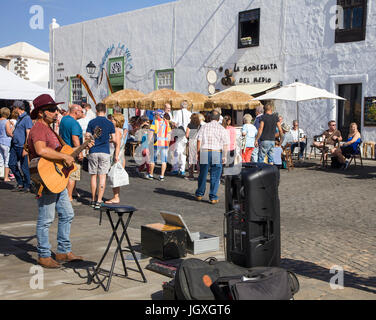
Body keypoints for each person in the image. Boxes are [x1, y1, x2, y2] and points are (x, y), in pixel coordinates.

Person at [27, 94, 94, 269]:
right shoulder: (39, 129)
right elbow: (41, 150)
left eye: (56, 109)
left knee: (67, 214)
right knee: (46, 218)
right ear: (41, 113)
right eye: (51, 110)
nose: (55, 112)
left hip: (57, 178)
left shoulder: (50, 129)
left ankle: (63, 251)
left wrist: (81, 147)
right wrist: (64, 156)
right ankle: (43, 255)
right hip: (46, 178)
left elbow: (63, 151)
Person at [86, 103, 118, 210]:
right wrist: (106, 140)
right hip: (104, 151)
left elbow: (87, 136)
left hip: (93, 150)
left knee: (93, 176)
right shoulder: (109, 123)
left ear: (96, 110)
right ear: (105, 110)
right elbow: (114, 139)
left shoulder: (91, 122)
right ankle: (99, 200)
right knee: (102, 176)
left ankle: (93, 199)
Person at [195, 110, 229, 205]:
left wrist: (198, 153)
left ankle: (199, 194)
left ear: (209, 118)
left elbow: (199, 140)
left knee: (203, 173)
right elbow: (225, 144)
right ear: (218, 119)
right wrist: (224, 156)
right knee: (215, 175)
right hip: (216, 152)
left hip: (205, 151)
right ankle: (213, 197)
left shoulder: (204, 127)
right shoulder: (222, 129)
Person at [59, 104, 84, 205]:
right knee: (72, 175)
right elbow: (75, 138)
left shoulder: (64, 119)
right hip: (72, 152)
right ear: (76, 112)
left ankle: (73, 191)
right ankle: (69, 198)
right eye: (82, 111)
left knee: (68, 173)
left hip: (64, 150)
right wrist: (80, 152)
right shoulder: (74, 123)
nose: (83, 113)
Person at [8, 100, 33, 193]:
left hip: (22, 146)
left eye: (14, 108)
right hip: (15, 145)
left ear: (18, 108)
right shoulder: (19, 118)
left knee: (24, 167)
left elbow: (28, 133)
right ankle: (20, 182)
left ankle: (27, 185)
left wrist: (25, 148)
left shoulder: (26, 118)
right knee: (11, 164)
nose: (13, 110)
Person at [106, 113, 126, 204]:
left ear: (117, 121)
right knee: (116, 176)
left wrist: (116, 156)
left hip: (117, 155)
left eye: (113, 119)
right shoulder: (121, 130)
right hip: (121, 155)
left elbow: (117, 144)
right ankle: (116, 196)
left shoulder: (117, 130)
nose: (111, 121)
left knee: (114, 176)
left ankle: (116, 197)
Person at [146, 109, 171, 181]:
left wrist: (148, 142)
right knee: (164, 160)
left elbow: (151, 133)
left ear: (158, 115)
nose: (154, 116)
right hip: (165, 143)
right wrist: (168, 144)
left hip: (156, 143)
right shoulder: (166, 122)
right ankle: (162, 176)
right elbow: (169, 134)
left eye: (155, 114)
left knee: (152, 160)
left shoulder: (155, 122)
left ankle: (151, 174)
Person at [171, 100, 192, 176]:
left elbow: (174, 122)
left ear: (181, 106)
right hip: (186, 134)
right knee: (183, 153)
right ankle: (182, 169)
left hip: (179, 133)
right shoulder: (190, 113)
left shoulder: (178, 112)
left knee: (177, 151)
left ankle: (176, 169)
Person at [185, 113, 201, 180]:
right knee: (198, 159)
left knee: (191, 159)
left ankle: (191, 175)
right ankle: (200, 175)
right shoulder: (199, 125)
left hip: (192, 141)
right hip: (199, 141)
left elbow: (187, 135)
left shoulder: (190, 125)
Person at [0, 107, 12, 181]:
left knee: (1, 159)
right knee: (7, 160)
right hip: (6, 142)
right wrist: (13, 126)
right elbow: (9, 133)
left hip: (0, 140)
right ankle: (6, 177)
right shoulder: (6, 121)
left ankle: (1, 174)